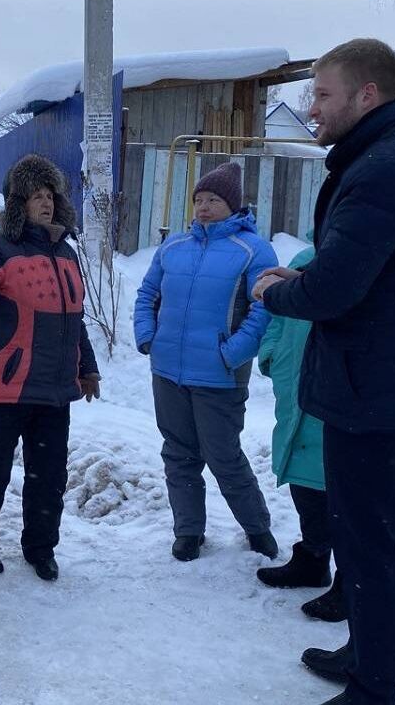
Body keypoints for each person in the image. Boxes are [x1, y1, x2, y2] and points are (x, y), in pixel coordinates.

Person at [253, 38, 395, 705]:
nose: (312, 108)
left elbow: (332, 292)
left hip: (373, 389)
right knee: (365, 532)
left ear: (366, 95)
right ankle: (364, 653)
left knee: (369, 540)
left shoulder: (381, 170)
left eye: (322, 94)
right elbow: (373, 272)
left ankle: (375, 687)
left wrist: (274, 292)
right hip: (390, 378)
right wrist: (312, 275)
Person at [0, 154, 100, 582]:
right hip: (4, 385)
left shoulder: (67, 254)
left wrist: (86, 368)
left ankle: (40, 548)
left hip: (54, 388)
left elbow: (75, 319)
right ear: (19, 203)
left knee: (49, 477)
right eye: (36, 196)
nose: (46, 203)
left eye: (50, 195)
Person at [133, 161, 279, 562]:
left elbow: (263, 310)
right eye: (198, 199)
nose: (203, 206)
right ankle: (188, 532)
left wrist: (231, 353)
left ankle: (257, 527)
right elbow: (147, 294)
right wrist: (148, 336)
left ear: (233, 205)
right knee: (178, 454)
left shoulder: (253, 250)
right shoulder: (173, 247)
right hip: (168, 372)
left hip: (219, 376)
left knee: (224, 456)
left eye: (213, 199)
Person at [255, 241, 346, 623]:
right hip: (293, 385)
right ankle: (312, 558)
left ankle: (349, 580)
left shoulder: (351, 262)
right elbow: (277, 314)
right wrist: (271, 354)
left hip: (334, 390)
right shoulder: (304, 259)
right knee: (303, 479)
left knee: (340, 489)